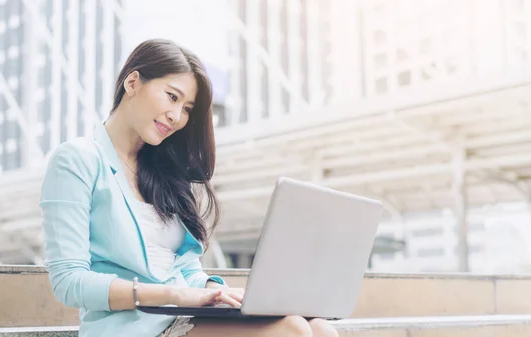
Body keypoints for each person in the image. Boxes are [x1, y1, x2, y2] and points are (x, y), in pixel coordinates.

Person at [39, 38, 339, 337]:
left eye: (186, 109)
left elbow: (185, 268)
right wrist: (174, 295)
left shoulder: (164, 173)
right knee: (293, 330)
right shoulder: (77, 160)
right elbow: (69, 281)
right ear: (133, 82)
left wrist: (215, 291)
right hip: (128, 328)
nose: (177, 117)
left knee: (320, 329)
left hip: (181, 319)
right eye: (172, 97)